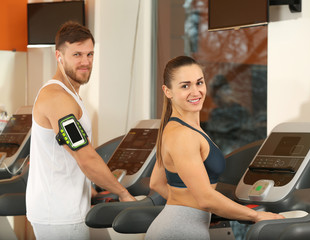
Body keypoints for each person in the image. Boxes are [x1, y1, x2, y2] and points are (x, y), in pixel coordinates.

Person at [145, 56, 284, 240]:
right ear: (167, 91)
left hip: (179, 224)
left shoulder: (177, 128)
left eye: (199, 83)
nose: (195, 92)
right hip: (181, 230)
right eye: (185, 86)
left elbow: (157, 182)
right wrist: (256, 215)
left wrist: (197, 209)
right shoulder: (183, 135)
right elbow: (205, 198)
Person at [26, 21, 135, 240]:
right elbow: (84, 156)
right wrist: (122, 193)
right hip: (60, 214)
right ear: (59, 56)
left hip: (67, 207)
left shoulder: (70, 95)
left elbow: (68, 155)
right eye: (77, 55)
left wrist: (89, 188)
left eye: (90, 54)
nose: (86, 62)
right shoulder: (58, 99)